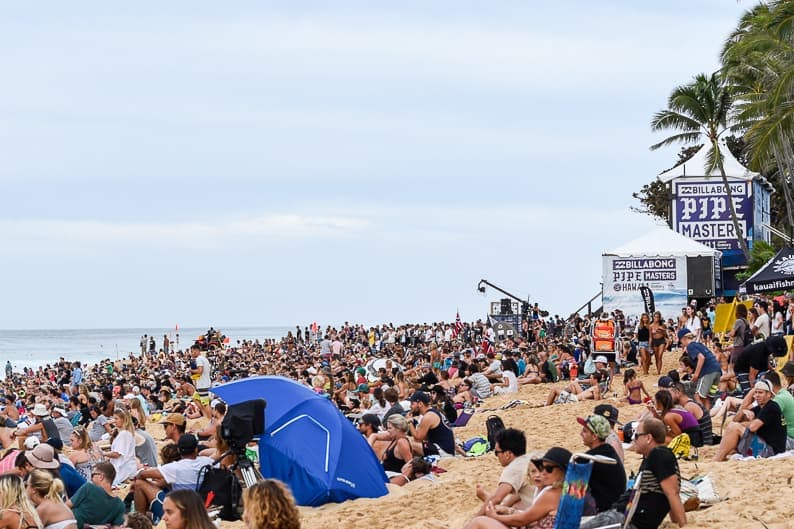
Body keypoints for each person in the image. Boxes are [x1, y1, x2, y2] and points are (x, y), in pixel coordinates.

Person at [582, 418, 686, 529]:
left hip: (626, 521)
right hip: (622, 516)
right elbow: (669, 494)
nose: (632, 439)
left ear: (648, 438)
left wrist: (683, 526)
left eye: (636, 435)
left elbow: (672, 493)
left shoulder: (659, 454)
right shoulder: (652, 457)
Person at [463, 447, 569, 529]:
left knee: (479, 522)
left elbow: (523, 520)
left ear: (562, 470)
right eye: (542, 468)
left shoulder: (552, 494)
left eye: (549, 469)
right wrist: (508, 511)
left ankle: (488, 500)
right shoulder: (568, 490)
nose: (543, 472)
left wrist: (494, 516)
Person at [132, 434, 214, 523]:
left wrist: (137, 479)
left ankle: (139, 523)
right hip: (200, 506)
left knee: (139, 484)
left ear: (178, 450)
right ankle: (150, 516)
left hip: (180, 511)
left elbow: (143, 474)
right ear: (196, 449)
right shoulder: (208, 462)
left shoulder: (175, 468)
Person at [714, 379, 787, 461]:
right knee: (733, 428)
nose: (757, 395)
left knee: (735, 428)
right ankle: (720, 456)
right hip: (765, 446)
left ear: (769, 394)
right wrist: (744, 410)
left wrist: (742, 424)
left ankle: (718, 458)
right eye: (755, 392)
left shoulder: (771, 407)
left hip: (770, 451)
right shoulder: (761, 407)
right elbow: (735, 420)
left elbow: (753, 427)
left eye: (760, 392)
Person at [474, 428, 532, 514]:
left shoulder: (513, 468)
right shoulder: (529, 460)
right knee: (516, 498)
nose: (497, 456)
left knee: (483, 519)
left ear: (507, 454)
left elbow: (497, 498)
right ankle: (489, 499)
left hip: (534, 517)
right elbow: (517, 496)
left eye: (497, 452)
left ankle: (487, 498)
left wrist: (475, 519)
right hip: (544, 508)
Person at [576, 415, 626, 513]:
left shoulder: (590, 459)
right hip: (614, 506)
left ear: (594, 436)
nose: (580, 434)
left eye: (585, 431)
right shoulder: (608, 451)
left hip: (602, 511)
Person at [66, 462, 126, 529]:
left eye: (92, 475)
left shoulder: (89, 488)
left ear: (101, 476)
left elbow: (66, 507)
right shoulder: (120, 505)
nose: (91, 479)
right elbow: (117, 527)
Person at [678, 330, 722, 410]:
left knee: (697, 396)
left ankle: (703, 416)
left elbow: (701, 358)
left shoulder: (690, 346)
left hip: (708, 372)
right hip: (717, 371)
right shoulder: (699, 344)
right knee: (707, 397)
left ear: (683, 338)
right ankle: (708, 415)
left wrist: (696, 375)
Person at [406, 391, 455, 456]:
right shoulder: (433, 412)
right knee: (408, 439)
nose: (410, 406)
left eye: (412, 404)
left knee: (409, 444)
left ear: (420, 404)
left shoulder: (428, 416)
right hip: (447, 448)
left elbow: (418, 439)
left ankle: (410, 464)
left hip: (443, 451)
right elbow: (424, 437)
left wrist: (409, 422)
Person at [104, 409, 137, 485]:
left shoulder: (124, 434)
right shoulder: (126, 433)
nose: (114, 421)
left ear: (123, 419)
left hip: (123, 469)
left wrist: (103, 453)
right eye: (114, 418)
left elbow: (117, 454)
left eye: (116, 419)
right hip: (127, 467)